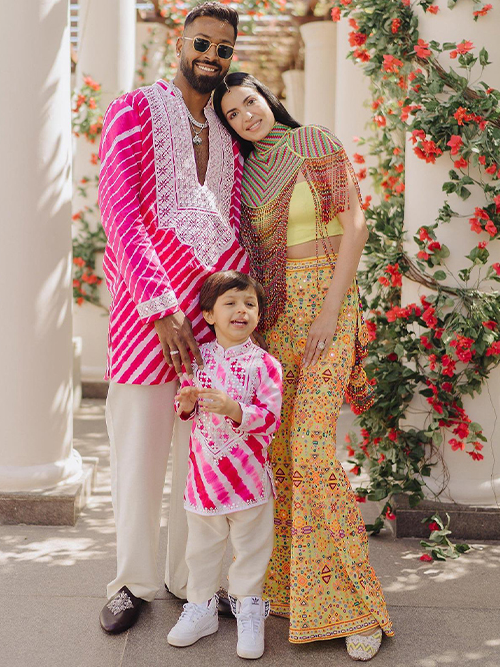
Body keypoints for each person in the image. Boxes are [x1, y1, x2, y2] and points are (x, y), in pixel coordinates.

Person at [214, 71, 392, 661]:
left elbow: (356, 227)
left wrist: (332, 309)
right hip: (279, 318)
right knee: (282, 454)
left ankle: (357, 605)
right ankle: (292, 589)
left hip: (329, 309)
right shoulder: (243, 179)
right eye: (234, 114)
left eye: (250, 102)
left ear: (268, 96)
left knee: (313, 451)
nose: (247, 116)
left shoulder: (316, 142)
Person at [95, 2, 249, 634]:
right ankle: (130, 582)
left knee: (201, 456)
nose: (211, 56)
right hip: (145, 318)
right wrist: (161, 308)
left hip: (210, 327)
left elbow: (233, 224)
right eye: (202, 43)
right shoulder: (134, 111)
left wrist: (234, 312)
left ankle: (192, 582)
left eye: (223, 49)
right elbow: (120, 212)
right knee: (138, 453)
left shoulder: (229, 132)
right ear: (179, 43)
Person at [166, 271, 281, 660]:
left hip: (249, 481)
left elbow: (270, 418)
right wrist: (184, 404)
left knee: (251, 550)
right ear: (209, 314)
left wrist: (235, 409)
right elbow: (189, 410)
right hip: (204, 481)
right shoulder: (199, 361)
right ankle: (201, 608)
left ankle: (249, 610)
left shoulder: (266, 365)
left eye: (249, 304)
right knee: (201, 551)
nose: (241, 311)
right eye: (230, 303)